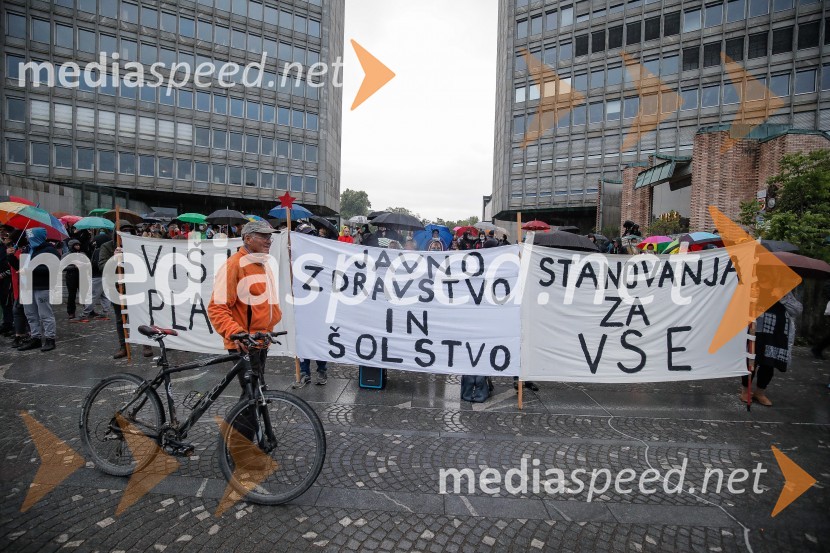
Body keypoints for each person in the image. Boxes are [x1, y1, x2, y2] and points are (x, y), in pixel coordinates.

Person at [208, 221, 283, 436]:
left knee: (254, 393)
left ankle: (246, 438)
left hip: (260, 341)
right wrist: (235, 332)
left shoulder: (262, 263)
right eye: (263, 236)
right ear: (248, 238)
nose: (269, 240)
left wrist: (270, 325)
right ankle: (238, 448)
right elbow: (217, 307)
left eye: (270, 236)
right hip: (244, 343)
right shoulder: (234, 265)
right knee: (251, 396)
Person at [98, 221, 152, 359]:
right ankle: (123, 346)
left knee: (141, 316)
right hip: (118, 288)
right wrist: (115, 258)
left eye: (129, 231)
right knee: (120, 319)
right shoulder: (107, 247)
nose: (126, 234)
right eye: (123, 232)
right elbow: (102, 266)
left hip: (136, 287)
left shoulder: (137, 246)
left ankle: (146, 344)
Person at [742, 291, 802, 406]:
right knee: (751, 361)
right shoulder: (753, 285)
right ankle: (745, 390)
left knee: (769, 363)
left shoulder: (784, 289)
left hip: (777, 334)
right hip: (756, 331)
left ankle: (760, 392)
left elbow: (797, 310)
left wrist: (782, 296)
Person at [14, 228, 59, 352]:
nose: (27, 239)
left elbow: (52, 268)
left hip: (43, 286)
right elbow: (19, 267)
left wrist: (29, 270)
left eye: (30, 236)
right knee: (31, 314)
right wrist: (10, 256)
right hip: (28, 286)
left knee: (45, 314)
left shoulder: (50, 251)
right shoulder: (28, 250)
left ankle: (50, 339)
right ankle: (36, 338)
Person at [79, 232, 112, 322]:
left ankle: (84, 314)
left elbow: (97, 263)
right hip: (104, 276)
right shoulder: (106, 249)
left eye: (96, 241)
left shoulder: (99, 250)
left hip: (97, 276)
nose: (94, 242)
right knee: (104, 295)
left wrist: (87, 265)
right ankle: (105, 312)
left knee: (92, 295)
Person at [63, 239, 85, 320]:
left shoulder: (82, 254)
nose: (78, 247)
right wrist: (74, 266)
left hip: (82, 276)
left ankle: (88, 310)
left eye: (78, 245)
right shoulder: (66, 255)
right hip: (71, 276)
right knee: (72, 295)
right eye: (76, 245)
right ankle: (71, 312)